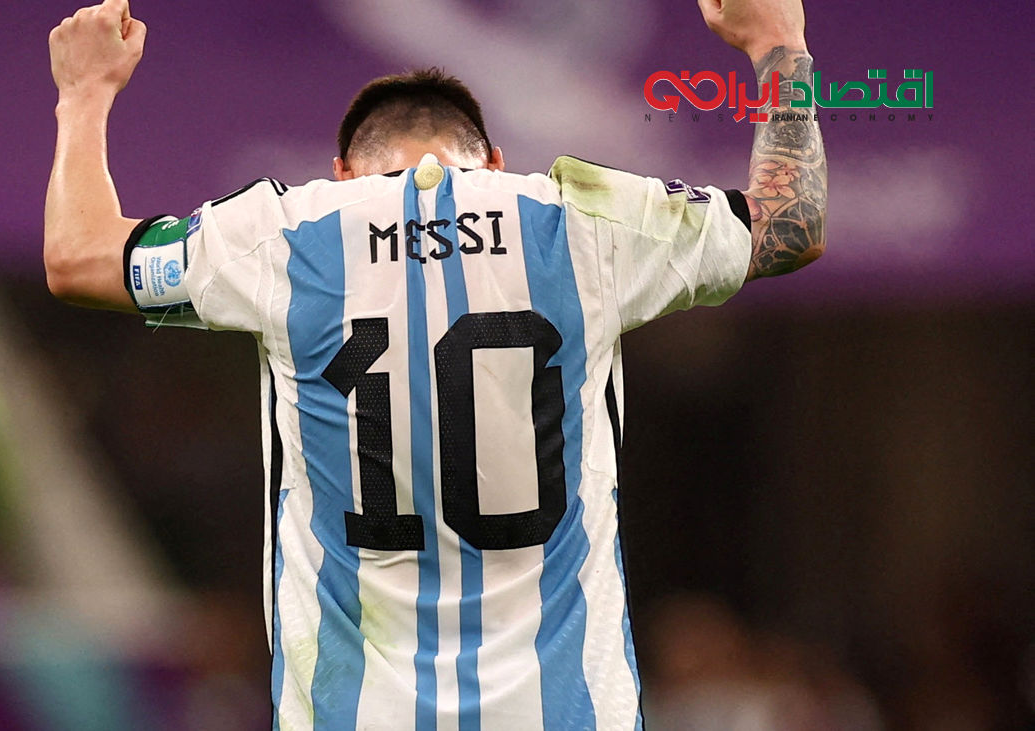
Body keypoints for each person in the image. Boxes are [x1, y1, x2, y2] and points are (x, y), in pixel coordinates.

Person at [43, 0, 825, 727]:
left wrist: (84, 94)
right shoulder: (581, 223)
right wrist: (777, 46)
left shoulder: (285, 232)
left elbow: (78, 259)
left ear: (343, 172)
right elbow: (789, 227)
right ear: (494, 162)